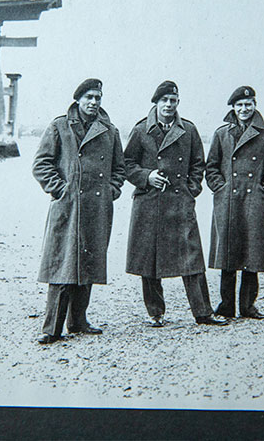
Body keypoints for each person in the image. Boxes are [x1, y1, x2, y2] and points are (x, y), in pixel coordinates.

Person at [124, 80, 227, 327]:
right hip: (149, 203)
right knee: (149, 260)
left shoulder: (188, 130)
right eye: (165, 101)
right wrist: (147, 176)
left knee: (192, 258)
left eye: (173, 100)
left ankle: (203, 312)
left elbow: (198, 164)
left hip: (180, 202)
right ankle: (155, 313)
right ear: (156, 103)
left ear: (178, 103)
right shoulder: (140, 130)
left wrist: (191, 190)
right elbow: (127, 164)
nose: (169, 105)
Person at [32, 78, 127, 344]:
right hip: (68, 207)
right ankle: (52, 327)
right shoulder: (60, 126)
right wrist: (60, 189)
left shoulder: (110, 131)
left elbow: (119, 169)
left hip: (97, 207)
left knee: (89, 262)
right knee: (62, 265)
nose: (94, 103)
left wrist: (111, 191)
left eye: (98, 98)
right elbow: (41, 164)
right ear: (78, 100)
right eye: (89, 98)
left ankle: (78, 321)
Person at [205, 86, 264, 319]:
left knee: (252, 254)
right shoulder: (222, 134)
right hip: (228, 200)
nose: (244, 109)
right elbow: (211, 167)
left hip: (254, 201)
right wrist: (220, 187)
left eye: (248, 104)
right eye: (239, 105)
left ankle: (248, 306)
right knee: (228, 254)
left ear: (255, 106)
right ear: (233, 107)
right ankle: (226, 305)